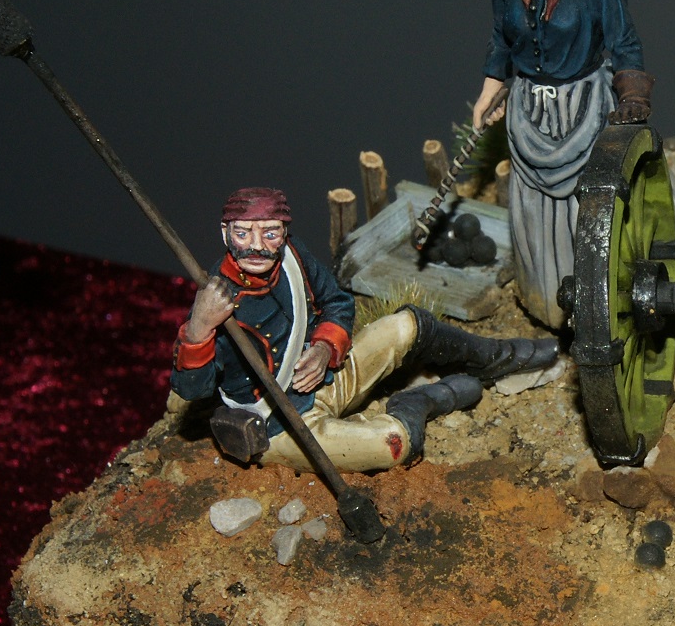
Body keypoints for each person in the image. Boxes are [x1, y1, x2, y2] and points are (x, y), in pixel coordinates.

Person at [170, 187, 555, 470]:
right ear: (226, 233)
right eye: (243, 234)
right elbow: (193, 390)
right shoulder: (213, 303)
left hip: (328, 377)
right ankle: (417, 402)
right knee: (393, 444)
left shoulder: (292, 258)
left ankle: (493, 357)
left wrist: (324, 348)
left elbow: (337, 302)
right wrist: (199, 329)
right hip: (281, 426)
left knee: (408, 324)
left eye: (270, 233)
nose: (257, 246)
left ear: (284, 233)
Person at [473, 0, 675, 327]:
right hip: (529, 110)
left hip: (584, 108)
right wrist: (491, 88)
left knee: (590, 211)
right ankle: (549, 303)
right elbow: (500, 36)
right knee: (534, 215)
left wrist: (633, 99)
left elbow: (625, 41)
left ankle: (599, 303)